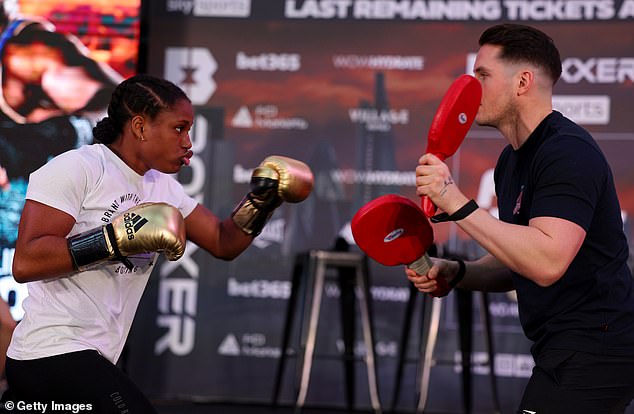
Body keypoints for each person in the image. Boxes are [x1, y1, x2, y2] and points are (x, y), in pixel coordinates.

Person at [2, 74, 313, 413]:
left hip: (96, 354)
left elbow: (223, 242)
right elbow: (27, 262)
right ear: (140, 126)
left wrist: (263, 201)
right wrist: (114, 239)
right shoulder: (80, 168)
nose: (188, 142)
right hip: (49, 352)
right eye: (179, 128)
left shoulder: (161, 187)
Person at [407, 23, 634, 414]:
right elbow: (520, 260)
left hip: (598, 347)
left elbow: (546, 262)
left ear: (523, 81)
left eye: (482, 75)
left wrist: (454, 200)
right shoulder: (510, 162)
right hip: (564, 347)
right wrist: (456, 271)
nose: (471, 87)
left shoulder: (567, 152)